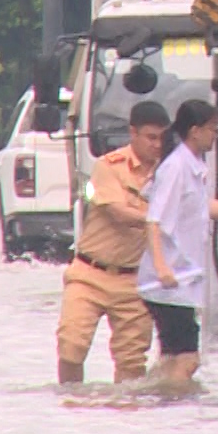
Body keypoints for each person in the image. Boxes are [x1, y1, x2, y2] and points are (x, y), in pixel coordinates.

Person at [56, 101, 167, 385]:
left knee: (131, 363)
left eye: (162, 138)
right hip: (89, 273)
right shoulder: (109, 166)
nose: (157, 145)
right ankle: (69, 403)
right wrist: (160, 218)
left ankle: (125, 423)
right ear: (133, 133)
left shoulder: (169, 174)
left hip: (134, 281)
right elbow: (118, 212)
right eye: (151, 137)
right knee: (71, 347)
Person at [140, 99, 218, 386]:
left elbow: (202, 209)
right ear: (195, 131)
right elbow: (153, 220)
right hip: (169, 280)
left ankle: (153, 396)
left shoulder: (195, 165)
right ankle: (176, 407)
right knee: (188, 359)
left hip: (184, 278)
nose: (216, 135)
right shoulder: (176, 167)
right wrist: (163, 268)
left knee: (171, 357)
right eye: (213, 129)